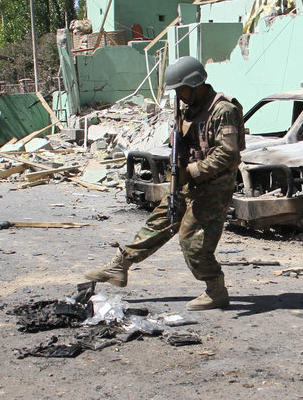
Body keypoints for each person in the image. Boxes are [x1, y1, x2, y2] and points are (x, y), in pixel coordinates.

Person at [85, 56, 244, 311]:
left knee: (192, 240)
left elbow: (228, 154)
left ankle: (216, 290)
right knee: (159, 221)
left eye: (181, 89)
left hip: (212, 188)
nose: (178, 96)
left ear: (195, 84)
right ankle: (120, 265)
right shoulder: (188, 109)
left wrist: (190, 171)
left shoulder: (223, 110)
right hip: (187, 183)